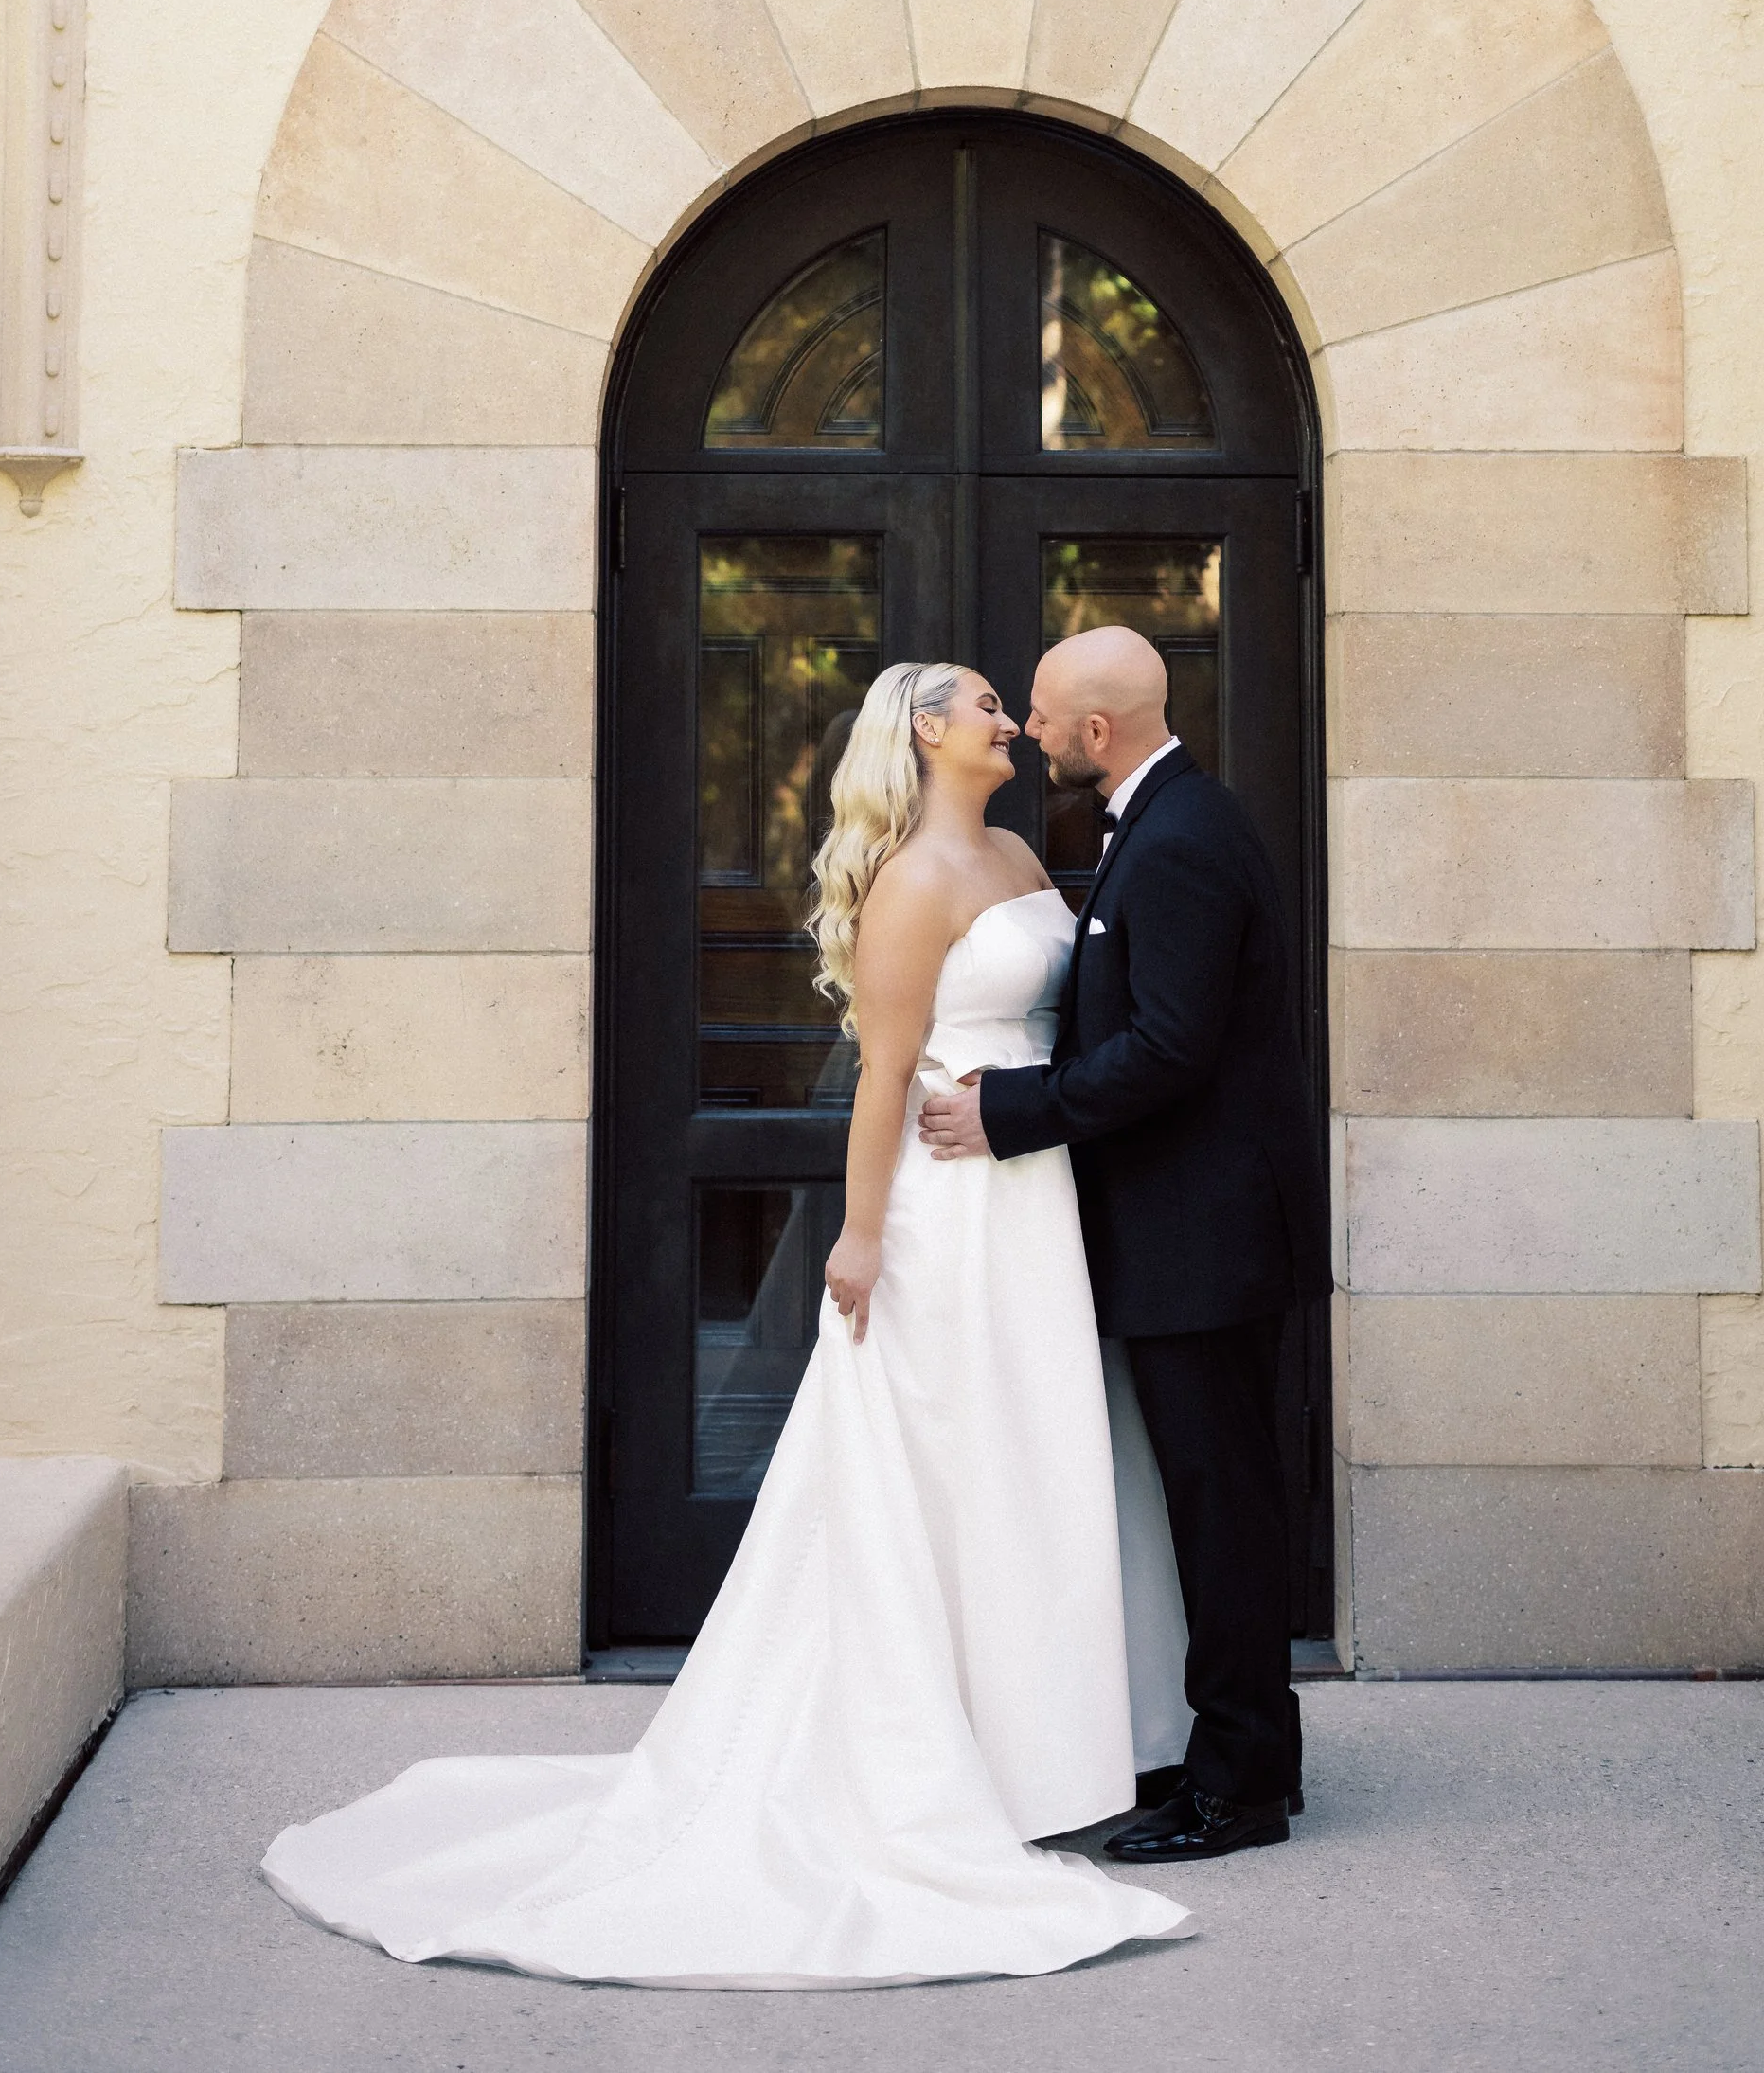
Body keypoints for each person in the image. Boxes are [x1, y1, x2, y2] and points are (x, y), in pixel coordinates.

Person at [260, 661, 1194, 1989]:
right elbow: (883, 1077)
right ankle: (929, 1756)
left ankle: (1042, 1740)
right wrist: (864, 1237)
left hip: (1038, 1197)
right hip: (950, 1211)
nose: (1007, 721)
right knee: (936, 1462)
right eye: (986, 703)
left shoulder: (1020, 858)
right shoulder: (914, 886)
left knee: (1032, 1456)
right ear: (929, 733)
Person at [920, 624, 1330, 1865]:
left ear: (1097, 731)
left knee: (1225, 1512)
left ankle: (1240, 1789)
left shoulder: (1186, 840)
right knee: (1212, 1506)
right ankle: (1235, 1758)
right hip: (1184, 1238)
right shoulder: (1166, 825)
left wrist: (1007, 1111)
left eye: (1041, 714)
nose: (1031, 733)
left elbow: (1171, 1050)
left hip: (1206, 1245)